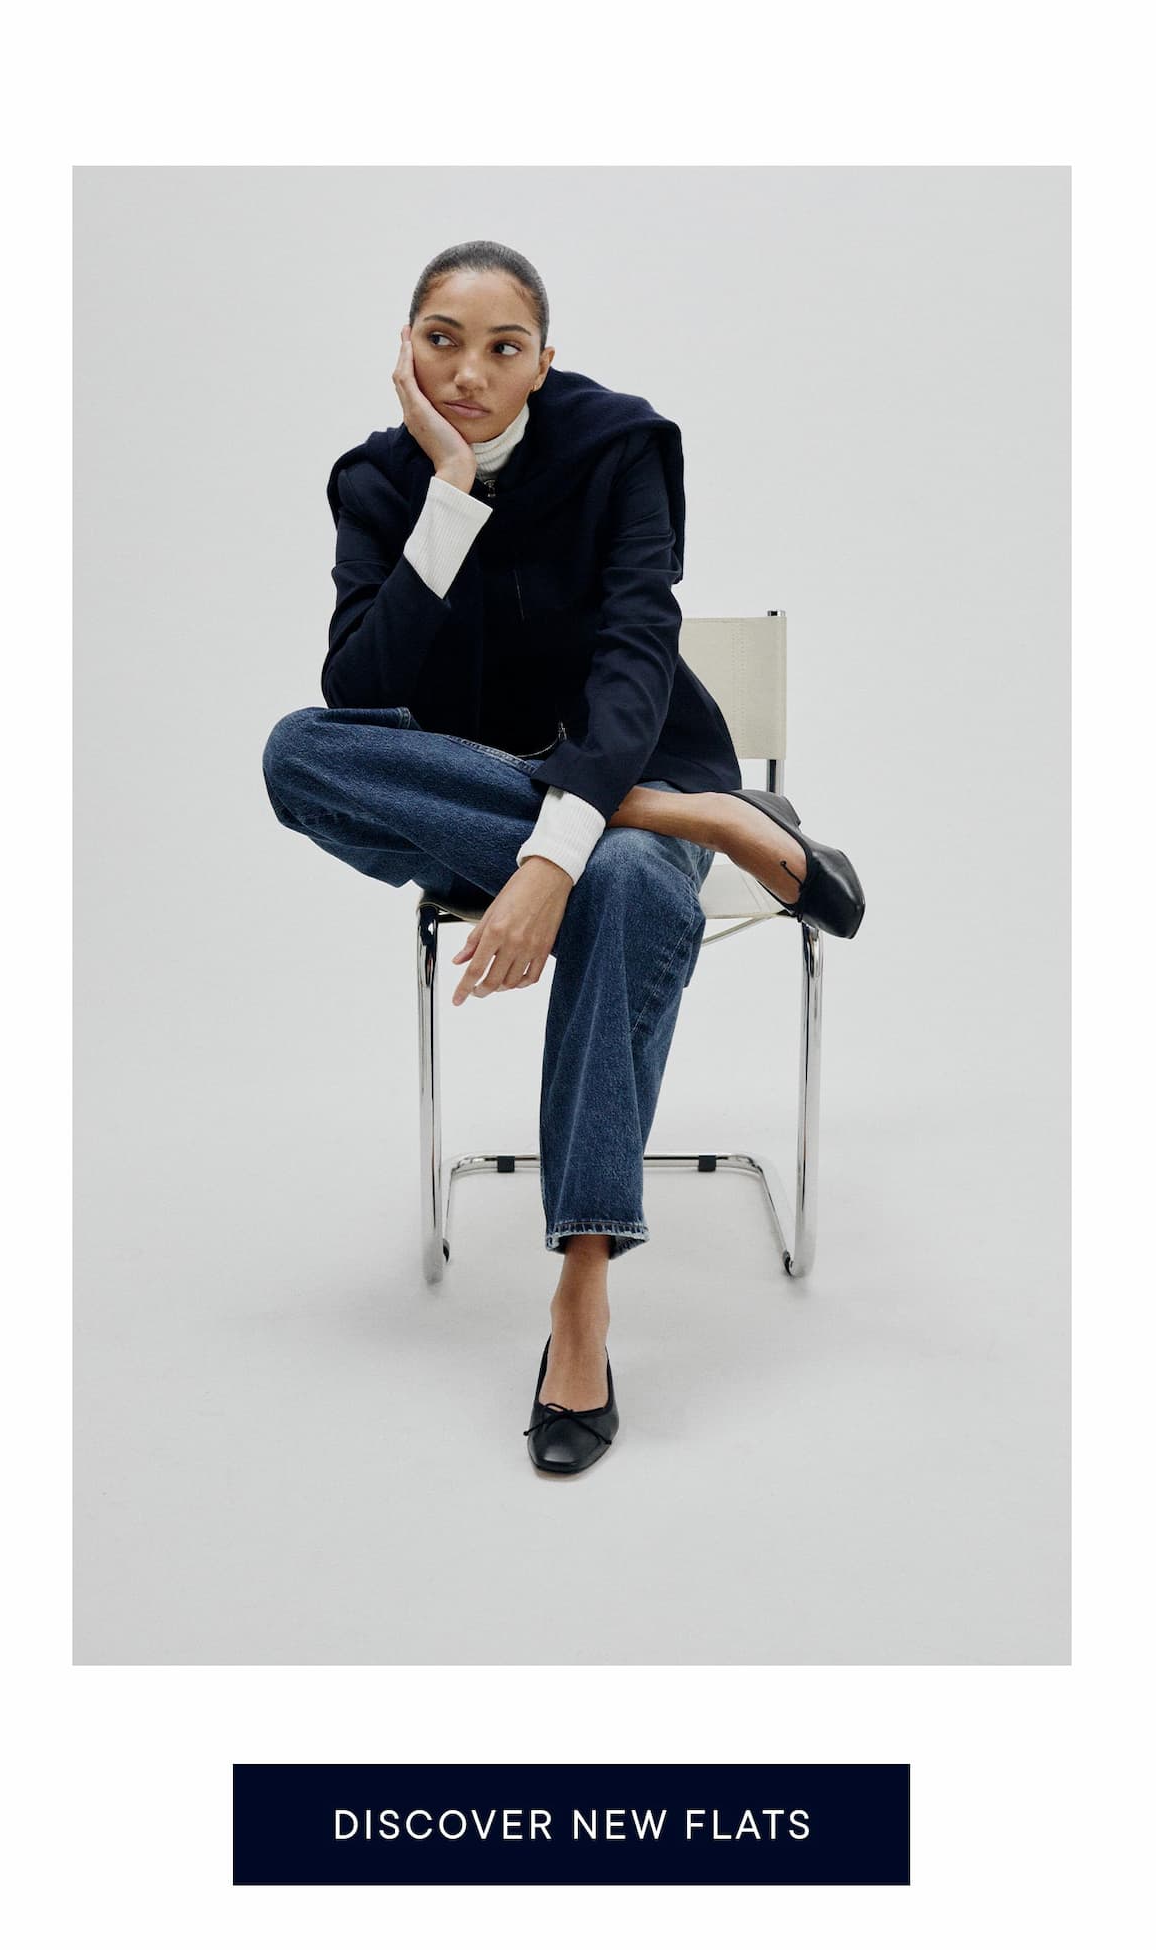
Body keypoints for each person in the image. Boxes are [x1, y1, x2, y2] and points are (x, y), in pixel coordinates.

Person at [262, 240, 865, 1478]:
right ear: (403, 349)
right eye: (442, 340)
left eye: (503, 347)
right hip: (496, 802)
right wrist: (448, 494)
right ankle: (710, 822)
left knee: (627, 883)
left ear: (544, 361)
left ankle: (580, 1286)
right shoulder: (376, 483)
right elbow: (358, 693)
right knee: (296, 752)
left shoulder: (618, 447)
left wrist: (559, 855)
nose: (469, 372)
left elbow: (636, 657)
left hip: (634, 761)